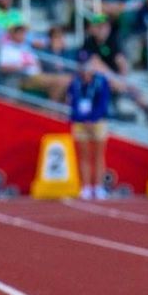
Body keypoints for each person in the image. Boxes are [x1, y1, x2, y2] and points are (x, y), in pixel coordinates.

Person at [67, 58, 111, 200]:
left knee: (99, 155)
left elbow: (103, 103)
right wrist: (82, 119)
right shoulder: (75, 82)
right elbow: (72, 102)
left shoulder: (101, 81)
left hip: (98, 122)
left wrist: (92, 119)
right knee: (84, 155)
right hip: (81, 122)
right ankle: (85, 187)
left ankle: (98, 186)